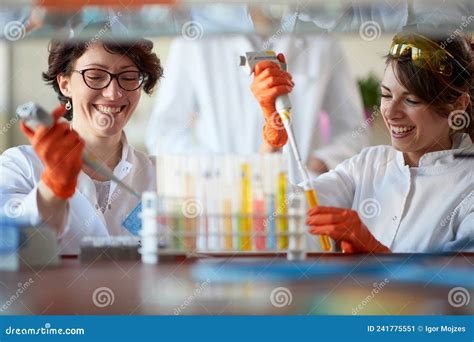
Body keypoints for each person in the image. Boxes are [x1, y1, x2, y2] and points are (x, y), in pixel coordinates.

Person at [252, 31, 474, 253]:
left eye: (411, 100)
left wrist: (375, 252)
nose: (391, 112)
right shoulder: (368, 164)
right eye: (386, 95)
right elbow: (285, 212)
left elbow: (459, 281)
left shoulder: (468, 185)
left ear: (458, 105)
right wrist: (273, 131)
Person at [145, 8, 367, 179]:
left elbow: (354, 128)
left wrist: (322, 162)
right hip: (226, 202)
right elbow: (164, 133)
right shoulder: (194, 41)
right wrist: (224, 172)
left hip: (298, 196)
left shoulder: (320, 39)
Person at [0, 35, 163, 255]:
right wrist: (53, 186)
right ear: (65, 83)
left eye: (129, 77)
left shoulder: (161, 175)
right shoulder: (20, 165)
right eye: (95, 76)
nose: (113, 93)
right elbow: (10, 247)